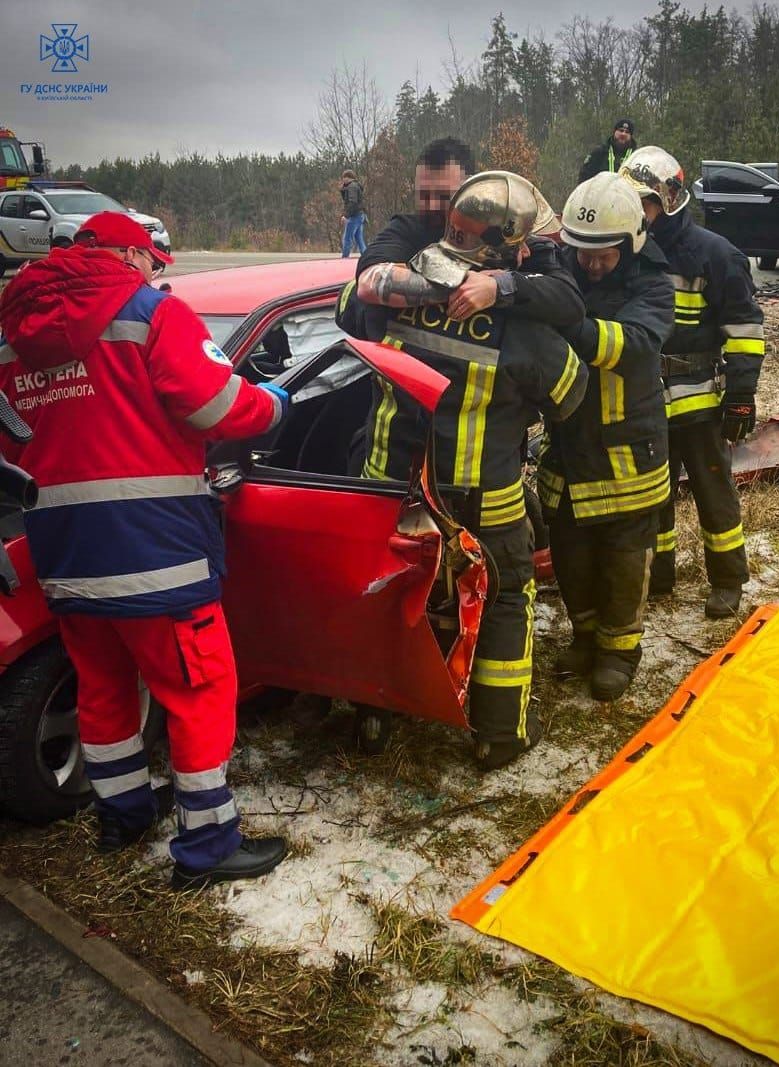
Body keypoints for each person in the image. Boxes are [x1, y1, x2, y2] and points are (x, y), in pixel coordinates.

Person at [0, 212, 289, 889]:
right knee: (200, 690)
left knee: (103, 686)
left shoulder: (13, 334)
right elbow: (219, 408)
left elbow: (14, 447)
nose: (159, 274)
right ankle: (208, 843)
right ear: (131, 253)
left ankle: (122, 814)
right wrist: (274, 405)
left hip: (65, 553)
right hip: (158, 552)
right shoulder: (152, 314)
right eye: (155, 262)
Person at [341, 172, 589, 771]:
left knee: (388, 595)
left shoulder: (388, 298)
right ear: (501, 250)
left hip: (388, 485)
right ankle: (497, 735)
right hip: (485, 496)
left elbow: (349, 314)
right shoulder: (526, 329)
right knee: (505, 597)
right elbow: (569, 395)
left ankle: (374, 713)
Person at [540, 173, 674, 701]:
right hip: (570, 448)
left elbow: (632, 344)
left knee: (623, 558)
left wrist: (564, 319)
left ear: (631, 245)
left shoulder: (654, 285)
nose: (592, 264)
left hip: (627, 452)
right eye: (583, 253)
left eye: (605, 255)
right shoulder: (565, 272)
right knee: (572, 553)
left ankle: (620, 651)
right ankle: (585, 636)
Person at [620, 146, 765, 618]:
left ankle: (727, 580)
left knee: (713, 491)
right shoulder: (630, 251)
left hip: (701, 400)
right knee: (654, 494)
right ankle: (660, 575)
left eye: (643, 201)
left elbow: (744, 329)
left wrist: (741, 397)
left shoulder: (714, 254)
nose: (635, 211)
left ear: (671, 197)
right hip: (646, 403)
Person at [347, 137, 584, 333]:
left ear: (471, 190)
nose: (429, 205)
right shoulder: (407, 229)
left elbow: (569, 301)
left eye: (442, 196)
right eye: (422, 194)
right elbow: (371, 283)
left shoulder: (507, 231)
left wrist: (500, 287)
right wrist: (468, 282)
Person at [579, 119, 637, 184]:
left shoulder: (636, 156)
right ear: (614, 132)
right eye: (621, 130)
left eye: (627, 132)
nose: (623, 134)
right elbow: (584, 176)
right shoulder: (599, 152)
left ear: (631, 136)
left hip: (627, 193)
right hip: (601, 192)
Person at [340, 169, 366, 257]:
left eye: (344, 177)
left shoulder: (352, 187)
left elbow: (352, 202)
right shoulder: (355, 186)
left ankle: (345, 257)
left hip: (354, 215)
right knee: (359, 239)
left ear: (348, 178)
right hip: (360, 215)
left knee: (347, 237)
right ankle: (366, 256)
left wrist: (346, 215)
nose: (343, 179)